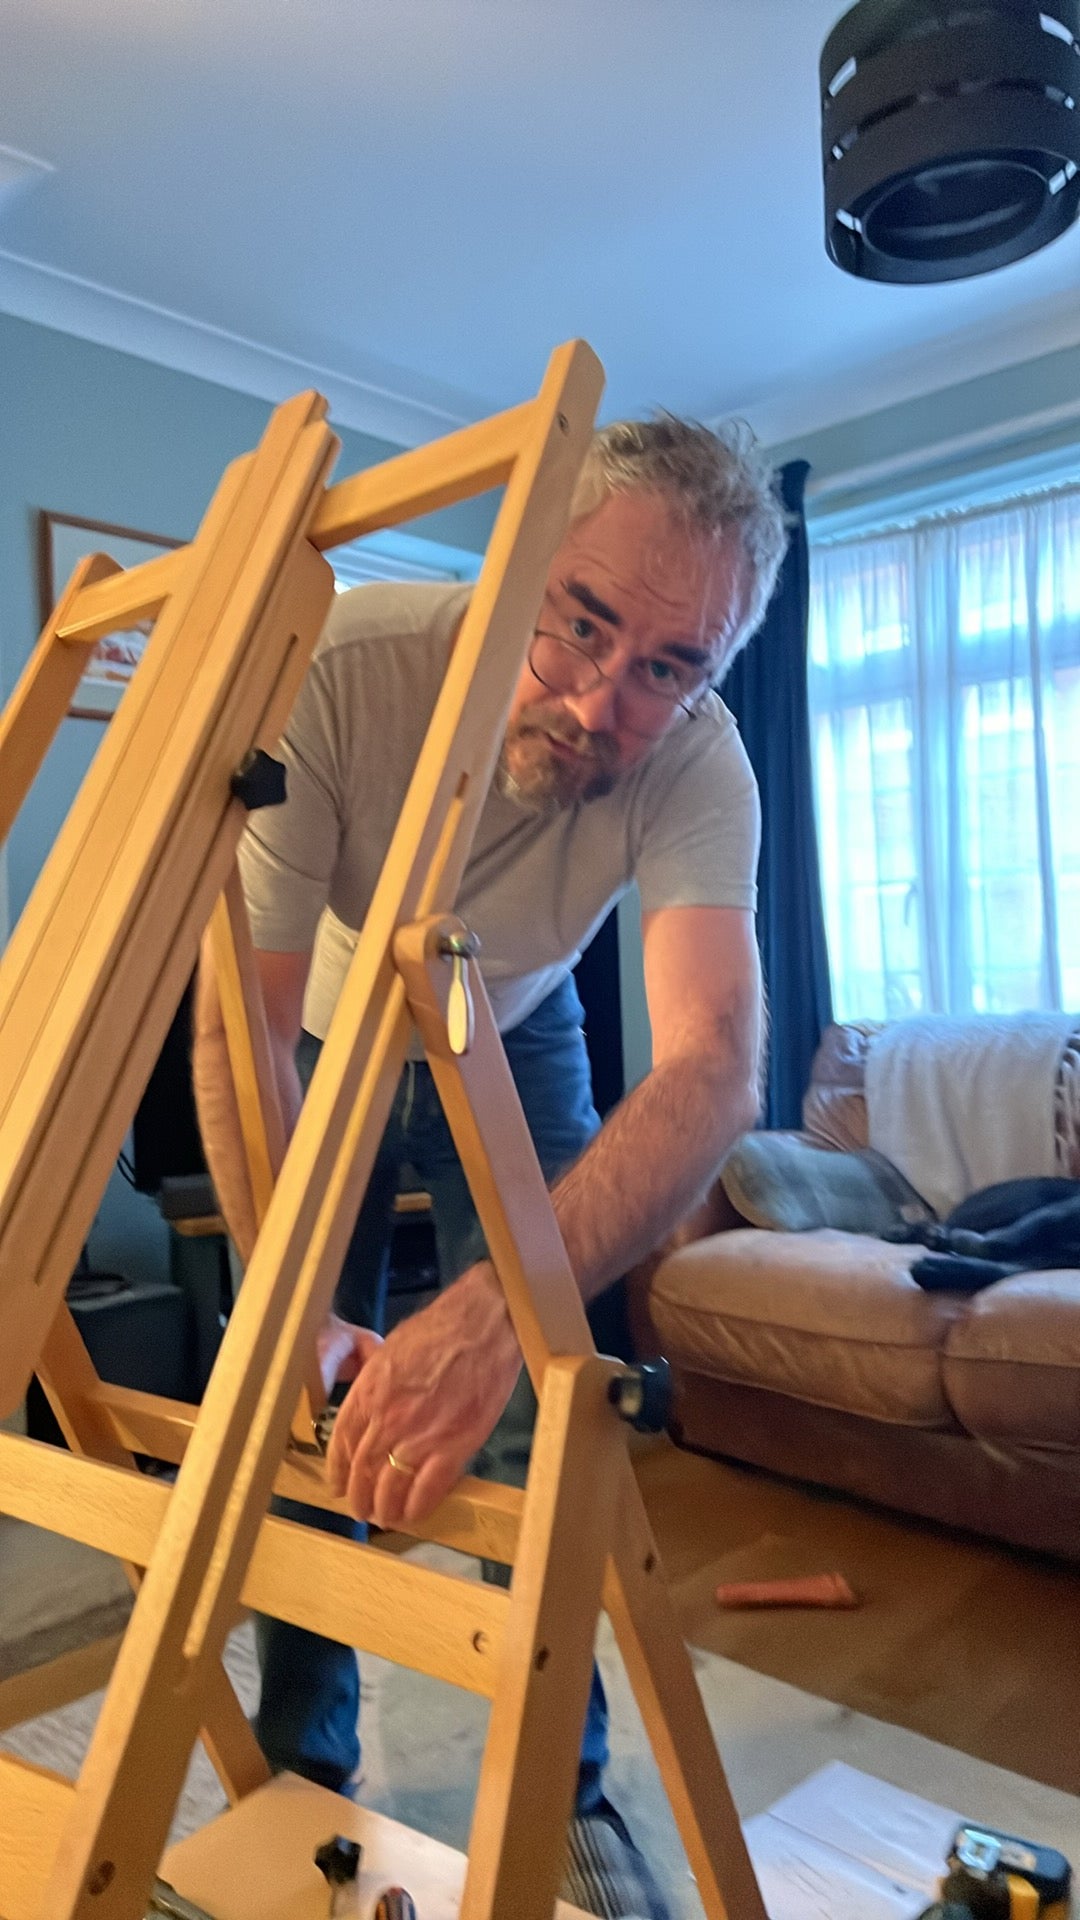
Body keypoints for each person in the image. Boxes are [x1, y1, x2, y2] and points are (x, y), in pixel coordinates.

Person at [193, 413, 787, 1920]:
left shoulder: (703, 766)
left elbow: (714, 1061)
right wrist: (292, 1303)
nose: (604, 700)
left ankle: (568, 1782)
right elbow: (242, 1035)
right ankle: (306, 1765)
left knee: (551, 1389)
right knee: (290, 1389)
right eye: (581, 620)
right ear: (517, 564)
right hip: (324, 1019)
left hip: (512, 1017)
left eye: (669, 665)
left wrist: (487, 1318)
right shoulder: (344, 672)